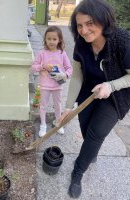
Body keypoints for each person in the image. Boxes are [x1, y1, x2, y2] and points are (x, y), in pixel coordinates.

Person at [58, 0, 130, 198]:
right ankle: (92, 153)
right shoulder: (81, 44)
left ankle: (77, 172)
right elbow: (77, 75)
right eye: (79, 25)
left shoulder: (121, 40)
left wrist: (111, 85)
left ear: (103, 19)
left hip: (114, 96)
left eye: (90, 23)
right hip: (88, 92)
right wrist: (67, 106)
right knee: (86, 126)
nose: (84, 30)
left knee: (96, 133)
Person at [32, 26, 72, 137]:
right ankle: (43, 125)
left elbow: (69, 68)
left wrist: (65, 75)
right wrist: (42, 66)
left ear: (59, 40)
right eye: (49, 39)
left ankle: (58, 123)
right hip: (44, 85)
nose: (51, 41)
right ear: (45, 39)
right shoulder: (42, 53)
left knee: (58, 105)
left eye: (54, 39)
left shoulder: (62, 53)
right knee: (43, 105)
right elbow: (34, 66)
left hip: (57, 86)